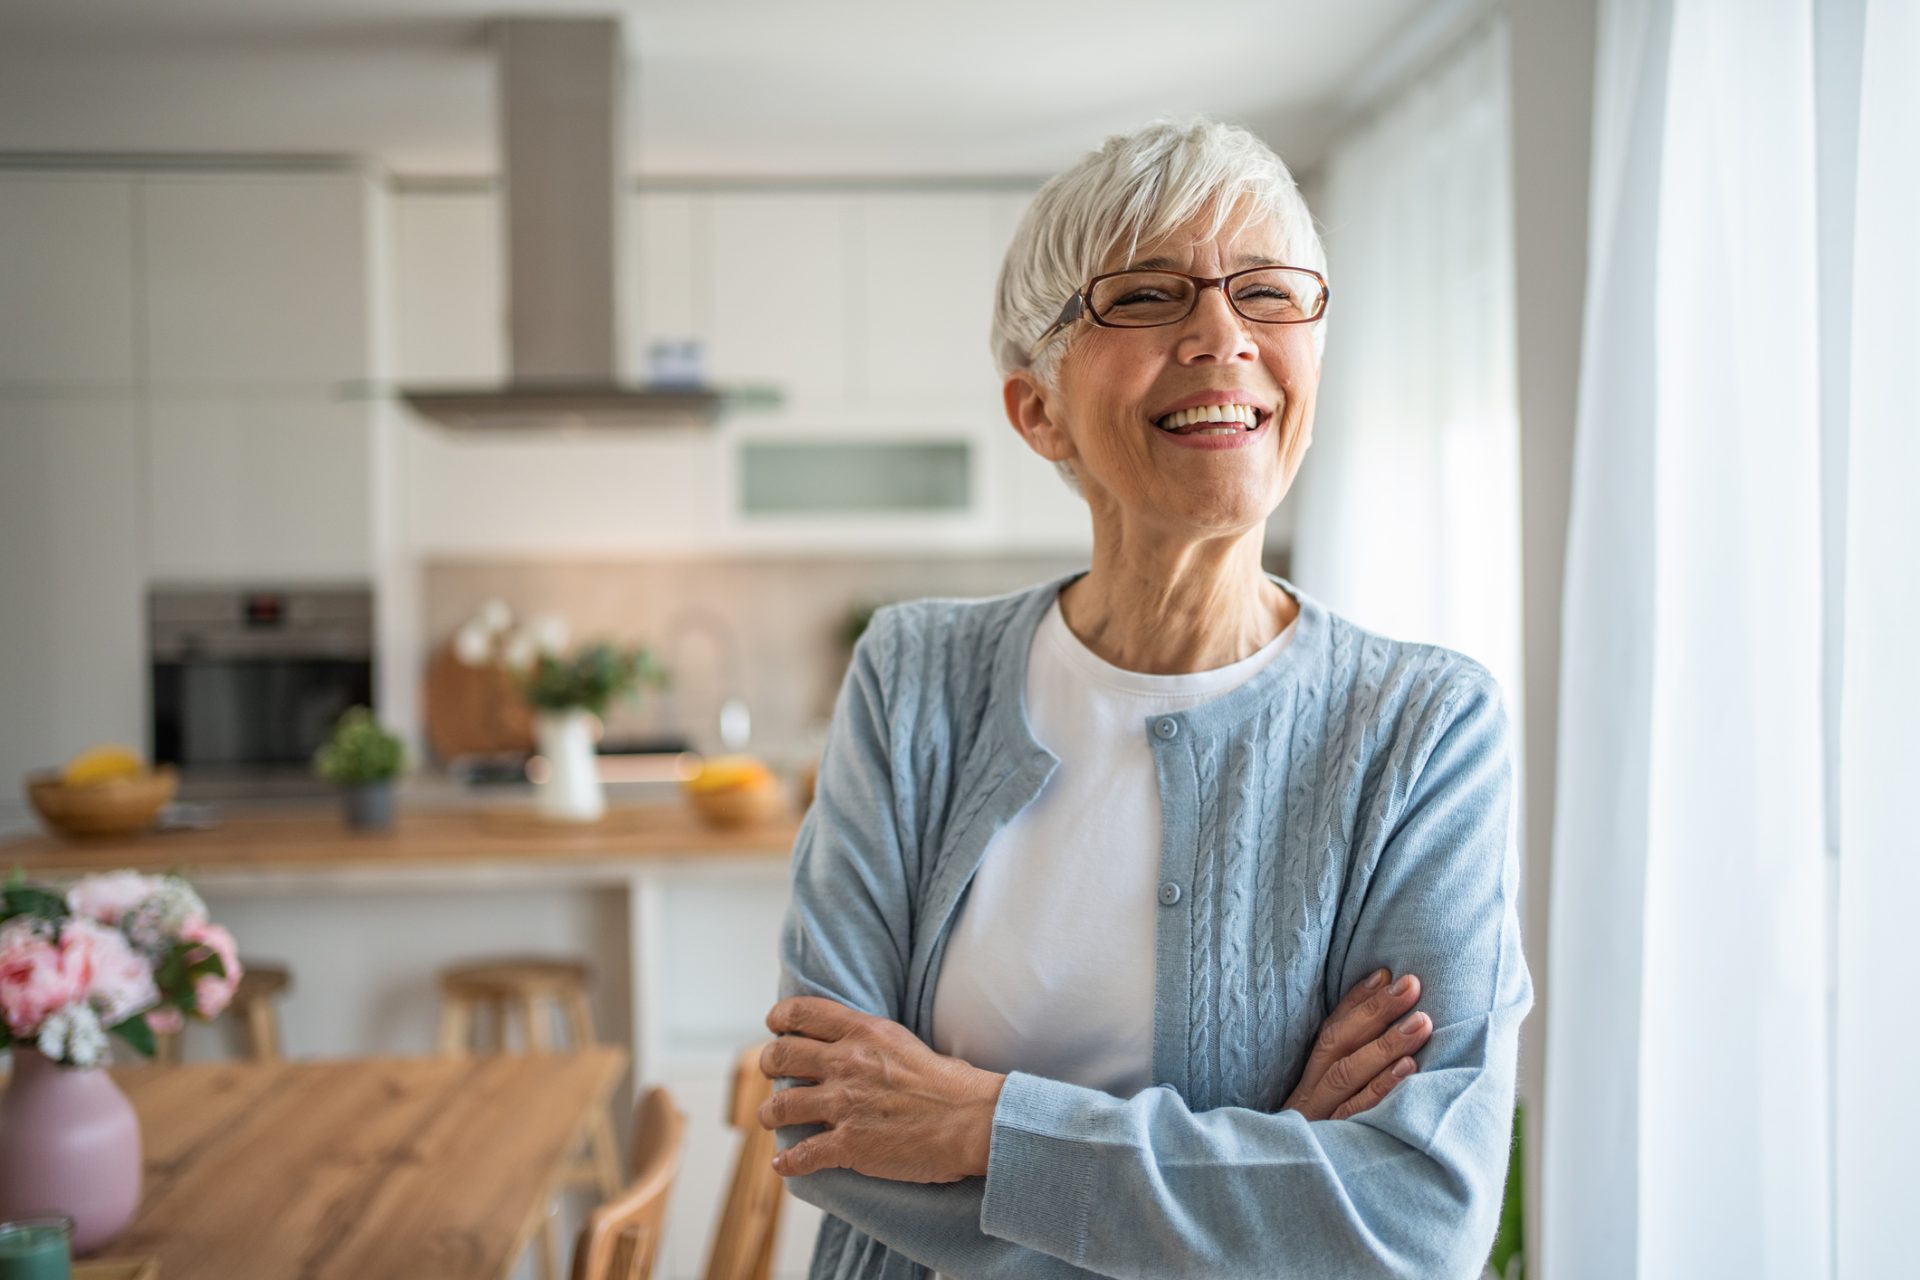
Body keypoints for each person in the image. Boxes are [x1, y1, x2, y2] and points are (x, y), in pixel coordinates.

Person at [756, 117, 1531, 1280]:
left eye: (1267, 291)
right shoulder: (913, 674)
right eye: (1148, 295)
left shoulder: (1424, 728)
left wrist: (978, 1124)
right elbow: (830, 1129)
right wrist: (1270, 1176)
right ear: (1038, 408)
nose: (1223, 335)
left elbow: (1415, 1216)